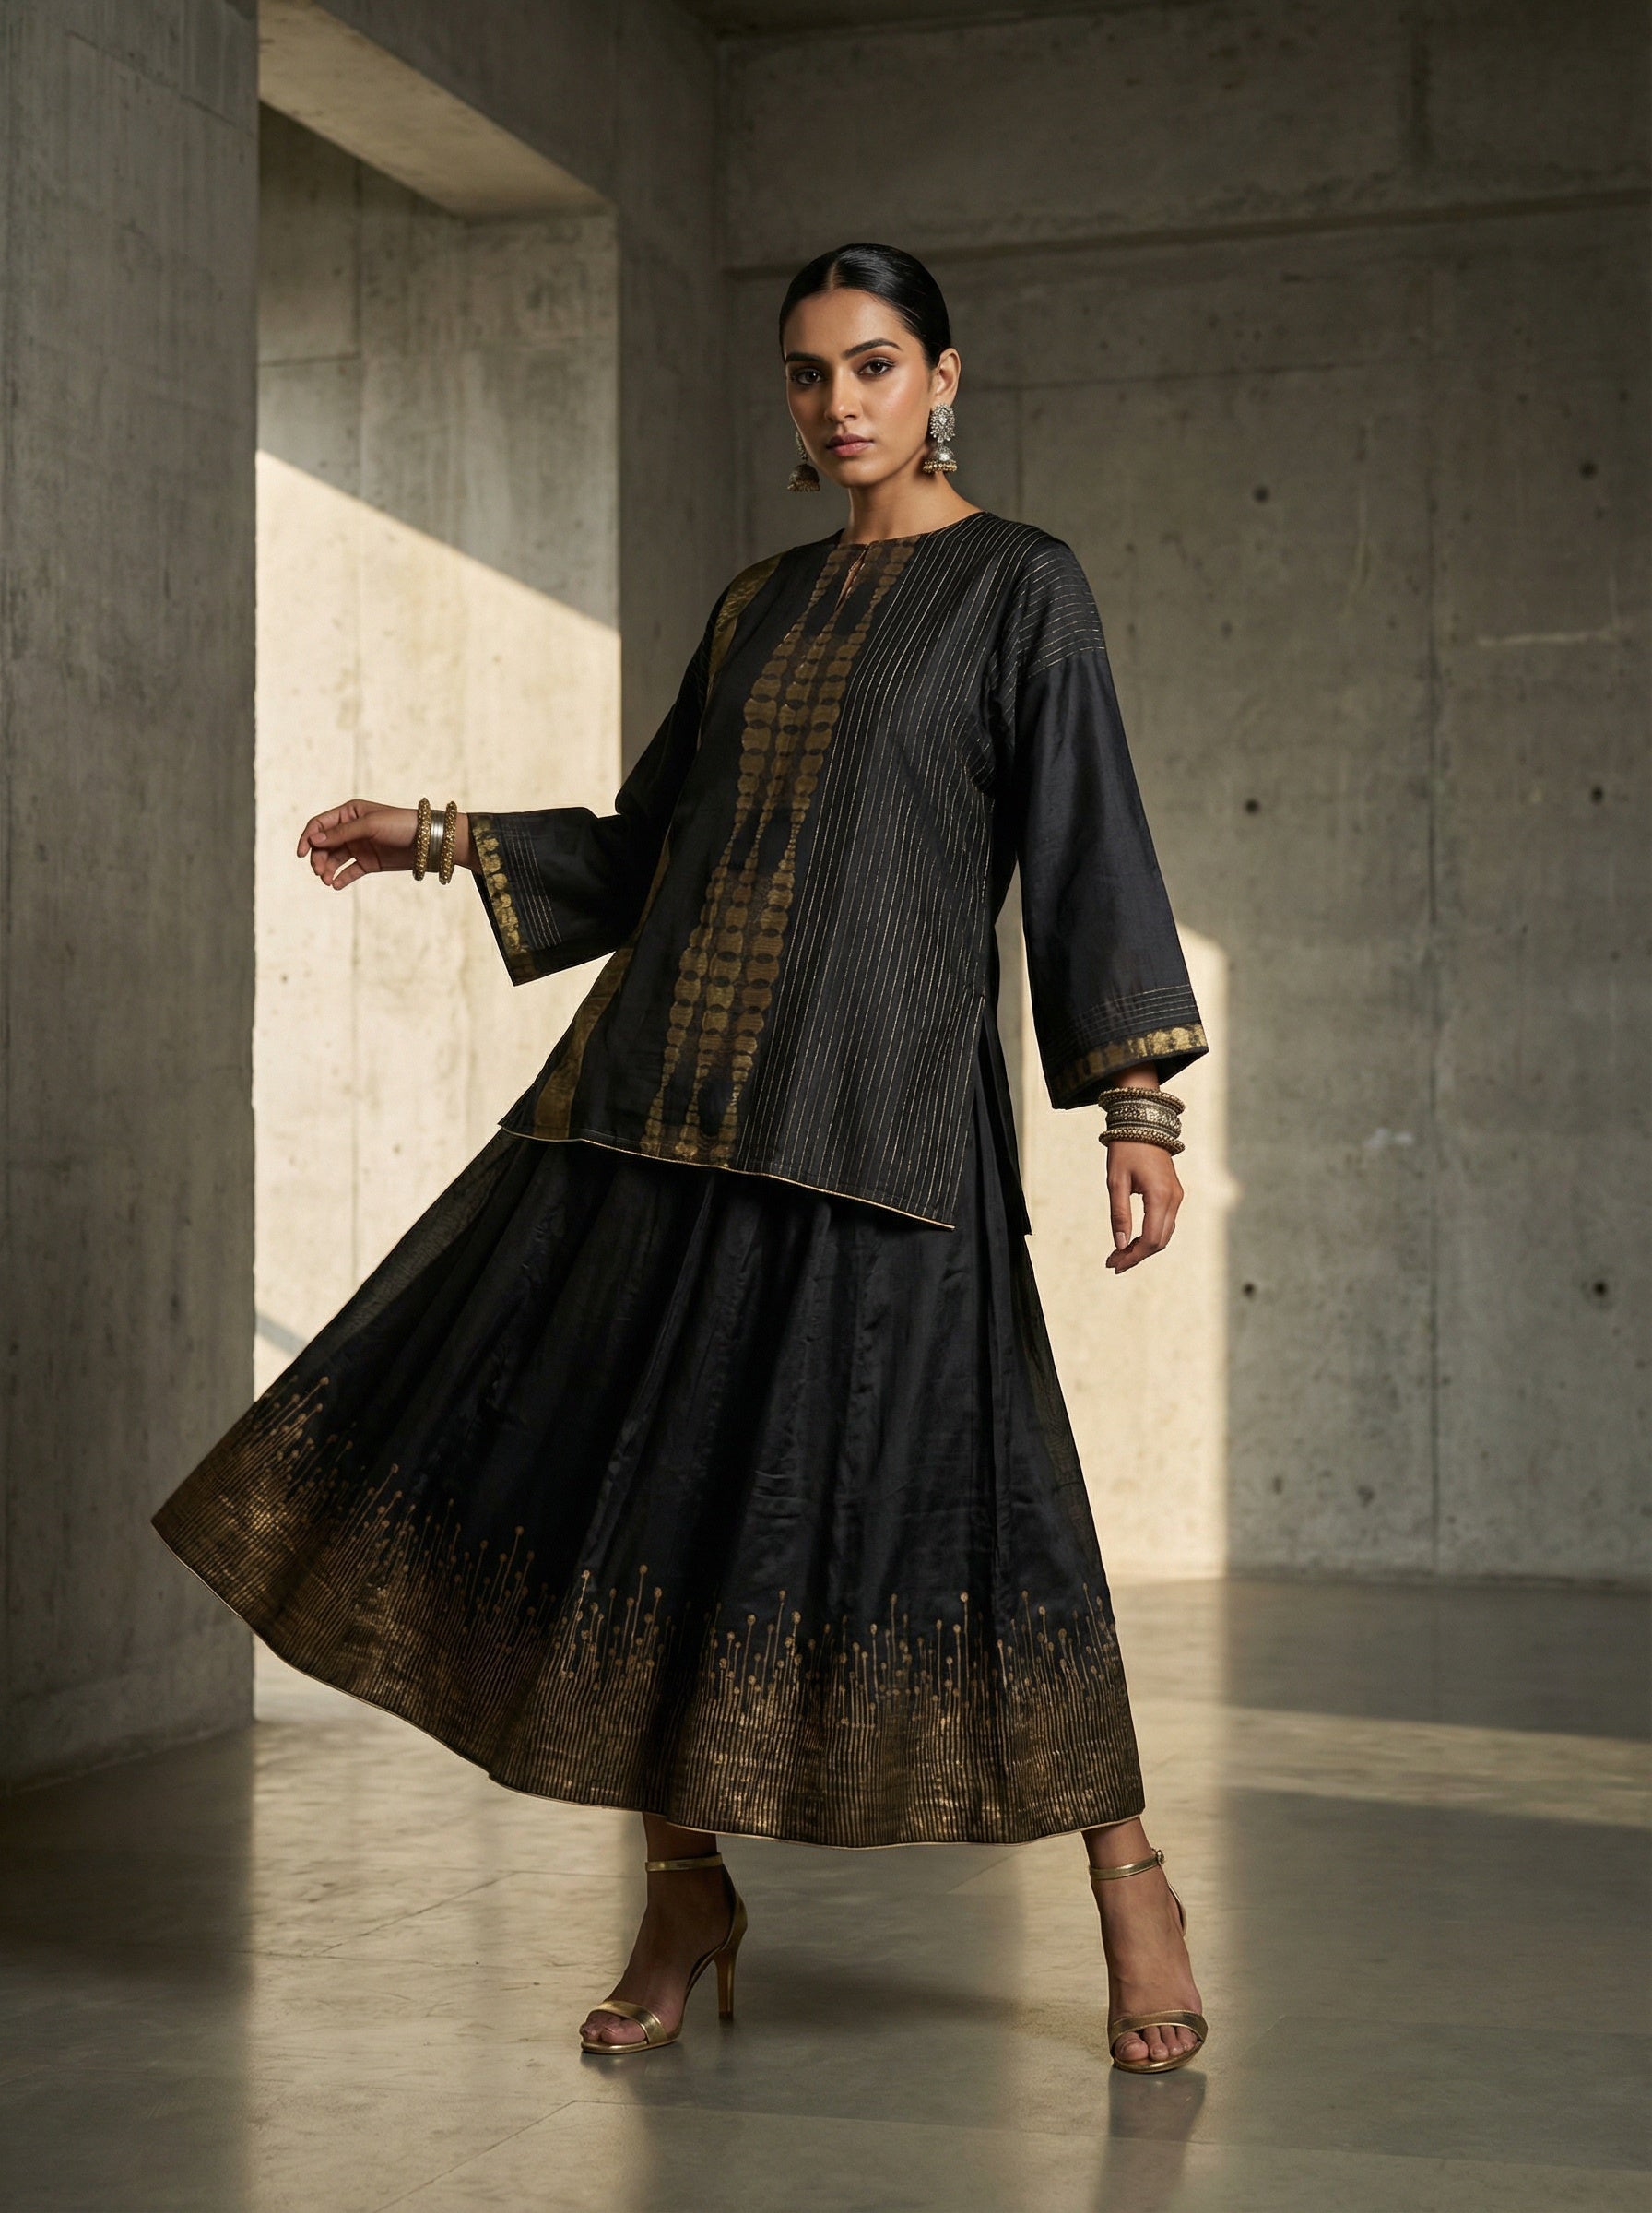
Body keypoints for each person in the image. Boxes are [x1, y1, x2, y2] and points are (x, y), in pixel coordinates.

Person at [156, 243, 1209, 2074]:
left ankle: (1130, 1881)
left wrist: (1134, 1104)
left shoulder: (1021, 589)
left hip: (884, 1133)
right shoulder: (755, 606)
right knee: (651, 1509)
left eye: (873, 365)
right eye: (807, 373)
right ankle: (681, 1892)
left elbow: (1082, 836)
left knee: (991, 1517)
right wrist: (437, 836)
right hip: (675, 1109)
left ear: (943, 376)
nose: (839, 403)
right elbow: (658, 847)